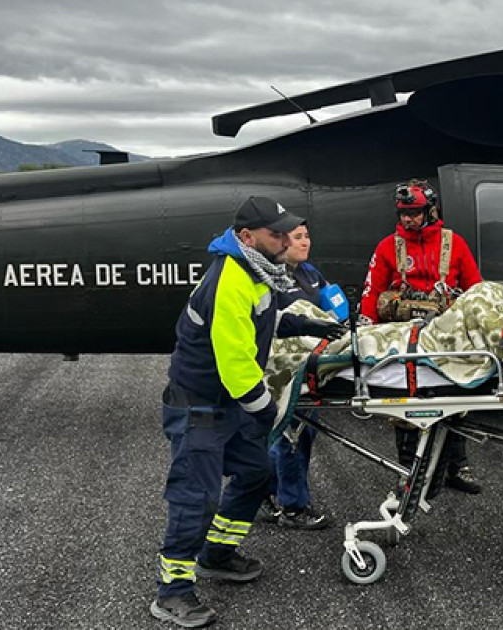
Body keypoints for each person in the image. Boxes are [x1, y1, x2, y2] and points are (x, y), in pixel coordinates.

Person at [152, 196, 346, 628]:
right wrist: (263, 412)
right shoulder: (229, 279)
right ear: (246, 237)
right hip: (201, 404)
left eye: (286, 231)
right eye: (276, 233)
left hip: (224, 402)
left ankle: (216, 554)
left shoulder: (254, 271)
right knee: (195, 496)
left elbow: (263, 318)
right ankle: (173, 591)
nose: (284, 239)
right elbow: (236, 364)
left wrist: (305, 325)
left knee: (257, 472)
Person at [359, 179, 484, 495]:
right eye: (402, 214)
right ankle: (408, 471)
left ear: (431, 211)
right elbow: (372, 290)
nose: (407, 219)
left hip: (447, 338)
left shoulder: (455, 245)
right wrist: (365, 331)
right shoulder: (388, 247)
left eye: (413, 213)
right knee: (405, 403)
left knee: (457, 399)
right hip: (404, 339)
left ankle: (458, 466)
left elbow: (474, 289)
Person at [257, 224, 332, 530]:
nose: (306, 243)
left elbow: (332, 306)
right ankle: (294, 507)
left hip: (309, 364)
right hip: (283, 368)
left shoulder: (311, 273)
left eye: (307, 236)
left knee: (301, 433)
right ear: (282, 243)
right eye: (298, 238)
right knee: (292, 437)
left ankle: (264, 493)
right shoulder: (270, 278)